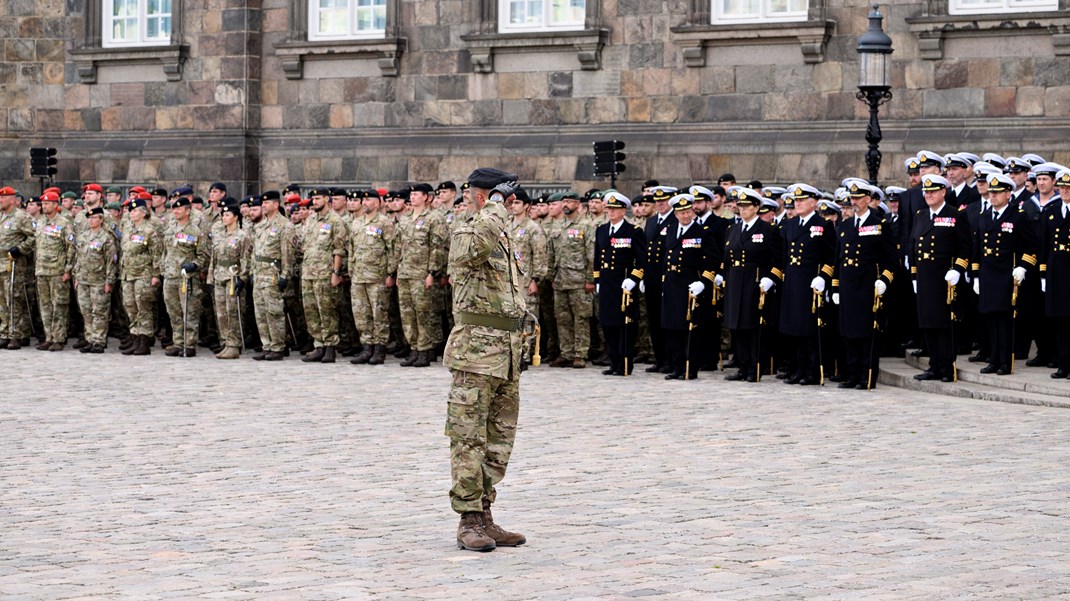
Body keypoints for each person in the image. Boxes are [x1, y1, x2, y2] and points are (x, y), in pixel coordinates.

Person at [443, 167, 527, 552]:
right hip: (476, 354)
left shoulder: (503, 237)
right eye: (502, 198)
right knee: (469, 439)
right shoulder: (468, 231)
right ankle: (468, 521)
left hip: (507, 353)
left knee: (498, 442)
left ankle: (486, 513)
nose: (509, 206)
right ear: (483, 198)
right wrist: (493, 204)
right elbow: (474, 246)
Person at [832, 181, 897, 390]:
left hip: (868, 284)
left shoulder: (880, 224)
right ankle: (852, 374)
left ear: (868, 199)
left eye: (859, 198)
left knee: (866, 332)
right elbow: (837, 260)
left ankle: (866, 375)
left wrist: (885, 279)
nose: (854, 202)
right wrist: (835, 287)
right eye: (852, 198)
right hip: (848, 285)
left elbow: (891, 259)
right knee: (849, 332)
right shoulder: (844, 226)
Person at [972, 173, 1038, 376]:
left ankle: (1005, 362)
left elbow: (1032, 246)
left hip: (1007, 275)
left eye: (997, 193)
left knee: (1005, 321)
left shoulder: (1018, 216)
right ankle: (994, 359)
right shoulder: (984, 217)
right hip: (988, 274)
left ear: (1008, 194)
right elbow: (977, 248)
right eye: (991, 192)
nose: (993, 196)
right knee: (990, 319)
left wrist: (1023, 267)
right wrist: (975, 275)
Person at [910, 174, 972, 382]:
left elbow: (966, 247)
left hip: (945, 279)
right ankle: (933, 365)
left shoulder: (955, 215)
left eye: (933, 191)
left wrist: (958, 269)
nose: (928, 195)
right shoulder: (920, 215)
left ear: (943, 192)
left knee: (944, 325)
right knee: (928, 323)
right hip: (926, 277)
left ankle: (947, 367)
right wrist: (914, 275)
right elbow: (913, 246)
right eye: (926, 192)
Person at [721, 188, 783, 382]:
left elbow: (779, 260)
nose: (743, 209)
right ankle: (743, 366)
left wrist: (771, 277)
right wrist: (723, 277)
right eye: (740, 206)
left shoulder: (768, 230)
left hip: (755, 283)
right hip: (735, 282)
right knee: (737, 327)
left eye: (747, 206)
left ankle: (756, 367)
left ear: (757, 207)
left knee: (754, 328)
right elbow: (727, 258)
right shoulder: (733, 229)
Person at [779, 184, 837, 385]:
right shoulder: (791, 225)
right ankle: (798, 369)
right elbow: (785, 254)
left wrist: (824, 276)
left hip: (811, 282)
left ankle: (812, 370)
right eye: (796, 200)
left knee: (809, 328)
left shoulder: (823, 225)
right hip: (794, 280)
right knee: (794, 327)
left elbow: (831, 257)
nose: (798, 203)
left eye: (802, 200)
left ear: (814, 202)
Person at [594, 191, 646, 376]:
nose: (611, 212)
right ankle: (614, 362)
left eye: (615, 209)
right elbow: (597, 259)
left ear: (624, 211)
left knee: (625, 326)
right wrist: (597, 280)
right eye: (609, 209)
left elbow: (642, 260)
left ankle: (625, 363)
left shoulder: (633, 232)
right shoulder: (601, 230)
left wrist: (634, 278)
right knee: (608, 325)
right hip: (607, 286)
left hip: (624, 286)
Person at [347, 189, 397, 365]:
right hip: (359, 277)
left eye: (369, 200)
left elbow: (393, 248)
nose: (365, 203)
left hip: (377, 277)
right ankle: (366, 347)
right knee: (361, 314)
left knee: (379, 314)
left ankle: (379, 349)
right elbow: (351, 248)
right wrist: (350, 270)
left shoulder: (384, 223)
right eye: (364, 200)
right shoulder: (356, 223)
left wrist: (391, 272)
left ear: (377, 203)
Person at [300, 188, 348, 364]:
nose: (314, 201)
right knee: (311, 311)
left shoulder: (335, 221)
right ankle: (318, 344)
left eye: (318, 198)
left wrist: (336, 273)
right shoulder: (311, 219)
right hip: (308, 273)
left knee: (327, 311)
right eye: (313, 198)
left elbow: (339, 249)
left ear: (327, 199)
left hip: (325, 274)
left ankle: (330, 347)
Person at [162, 195, 210, 357]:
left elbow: (203, 256)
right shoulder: (170, 228)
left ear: (188, 211)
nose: (175, 211)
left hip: (187, 278)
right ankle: (178, 342)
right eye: (174, 208)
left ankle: (189, 344)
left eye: (179, 208)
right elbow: (165, 251)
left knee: (189, 311)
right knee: (173, 311)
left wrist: (194, 265)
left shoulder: (195, 231)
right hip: (170, 275)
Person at [33, 191, 77, 351]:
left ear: (55, 205)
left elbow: (71, 248)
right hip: (42, 271)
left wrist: (68, 270)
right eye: (43, 204)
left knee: (59, 305)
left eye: (47, 203)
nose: (44, 206)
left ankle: (58, 338)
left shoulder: (64, 223)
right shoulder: (40, 222)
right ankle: (48, 337)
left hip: (58, 271)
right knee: (44, 306)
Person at [120, 196, 163, 356]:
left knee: (143, 307)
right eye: (130, 210)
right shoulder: (128, 229)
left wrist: (156, 274)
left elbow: (157, 254)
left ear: (144, 213)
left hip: (144, 274)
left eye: (135, 210)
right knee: (130, 306)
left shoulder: (149, 231)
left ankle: (145, 340)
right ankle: (135, 337)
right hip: (128, 274)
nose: (132, 213)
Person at [207, 201, 250, 359]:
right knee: (221, 313)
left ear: (235, 217)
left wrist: (243, 278)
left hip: (233, 276)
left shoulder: (242, 236)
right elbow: (214, 258)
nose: (224, 217)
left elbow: (246, 259)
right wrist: (210, 278)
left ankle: (234, 344)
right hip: (219, 275)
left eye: (227, 215)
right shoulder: (220, 235)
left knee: (233, 311)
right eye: (222, 215)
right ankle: (225, 341)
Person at [73, 206, 118, 353]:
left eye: (94, 218)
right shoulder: (83, 236)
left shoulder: (106, 238)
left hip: (99, 280)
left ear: (101, 220)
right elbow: (78, 258)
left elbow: (111, 261)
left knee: (99, 312)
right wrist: (77, 276)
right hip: (84, 279)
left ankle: (99, 340)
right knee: (86, 311)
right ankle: (90, 338)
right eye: (89, 218)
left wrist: (109, 281)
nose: (91, 220)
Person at [1042, 169, 1070, 378]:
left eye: (1068, 188)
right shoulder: (1051, 210)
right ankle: (1064, 363)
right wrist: (1043, 273)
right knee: (1058, 319)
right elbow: (1043, 244)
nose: (1065, 191)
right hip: (1055, 271)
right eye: (1062, 187)